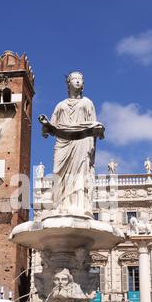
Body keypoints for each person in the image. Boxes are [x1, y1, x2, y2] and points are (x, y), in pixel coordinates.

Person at [39, 71, 104, 217]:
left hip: (82, 141)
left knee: (80, 173)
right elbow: (52, 126)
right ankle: (59, 205)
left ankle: (79, 206)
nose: (77, 81)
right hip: (63, 142)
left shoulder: (87, 103)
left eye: (80, 79)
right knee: (58, 171)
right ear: (68, 83)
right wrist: (45, 124)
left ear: (83, 85)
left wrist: (95, 138)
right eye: (74, 79)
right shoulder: (60, 105)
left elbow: (93, 124)